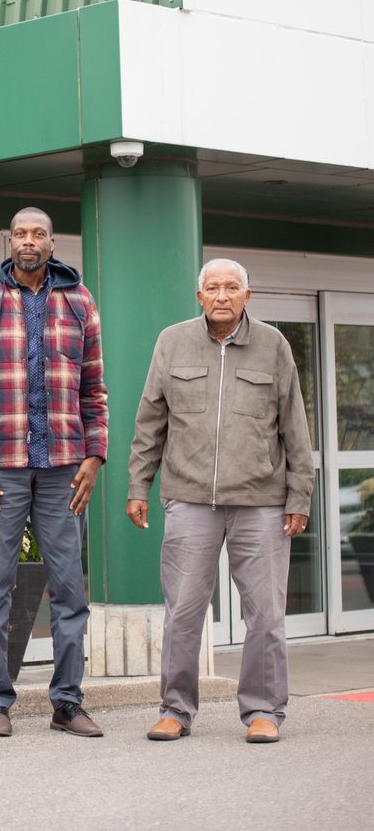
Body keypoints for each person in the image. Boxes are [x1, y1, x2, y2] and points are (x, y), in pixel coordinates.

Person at [127, 258, 314, 744]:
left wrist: (300, 496)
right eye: (213, 287)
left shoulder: (274, 345)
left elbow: (295, 428)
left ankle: (263, 711)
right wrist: (137, 486)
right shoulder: (172, 341)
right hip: (189, 498)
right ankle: (175, 709)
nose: (222, 296)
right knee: (184, 611)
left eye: (232, 287)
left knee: (266, 615)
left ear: (247, 296)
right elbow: (150, 421)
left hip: (262, 501)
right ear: (199, 296)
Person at [0, 208, 109, 738]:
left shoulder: (80, 300)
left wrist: (94, 455)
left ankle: (67, 703)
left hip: (64, 465)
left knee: (69, 590)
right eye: (20, 233)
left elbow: (94, 388)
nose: (29, 241)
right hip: (1, 469)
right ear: (9, 240)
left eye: (38, 234)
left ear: (52, 242)